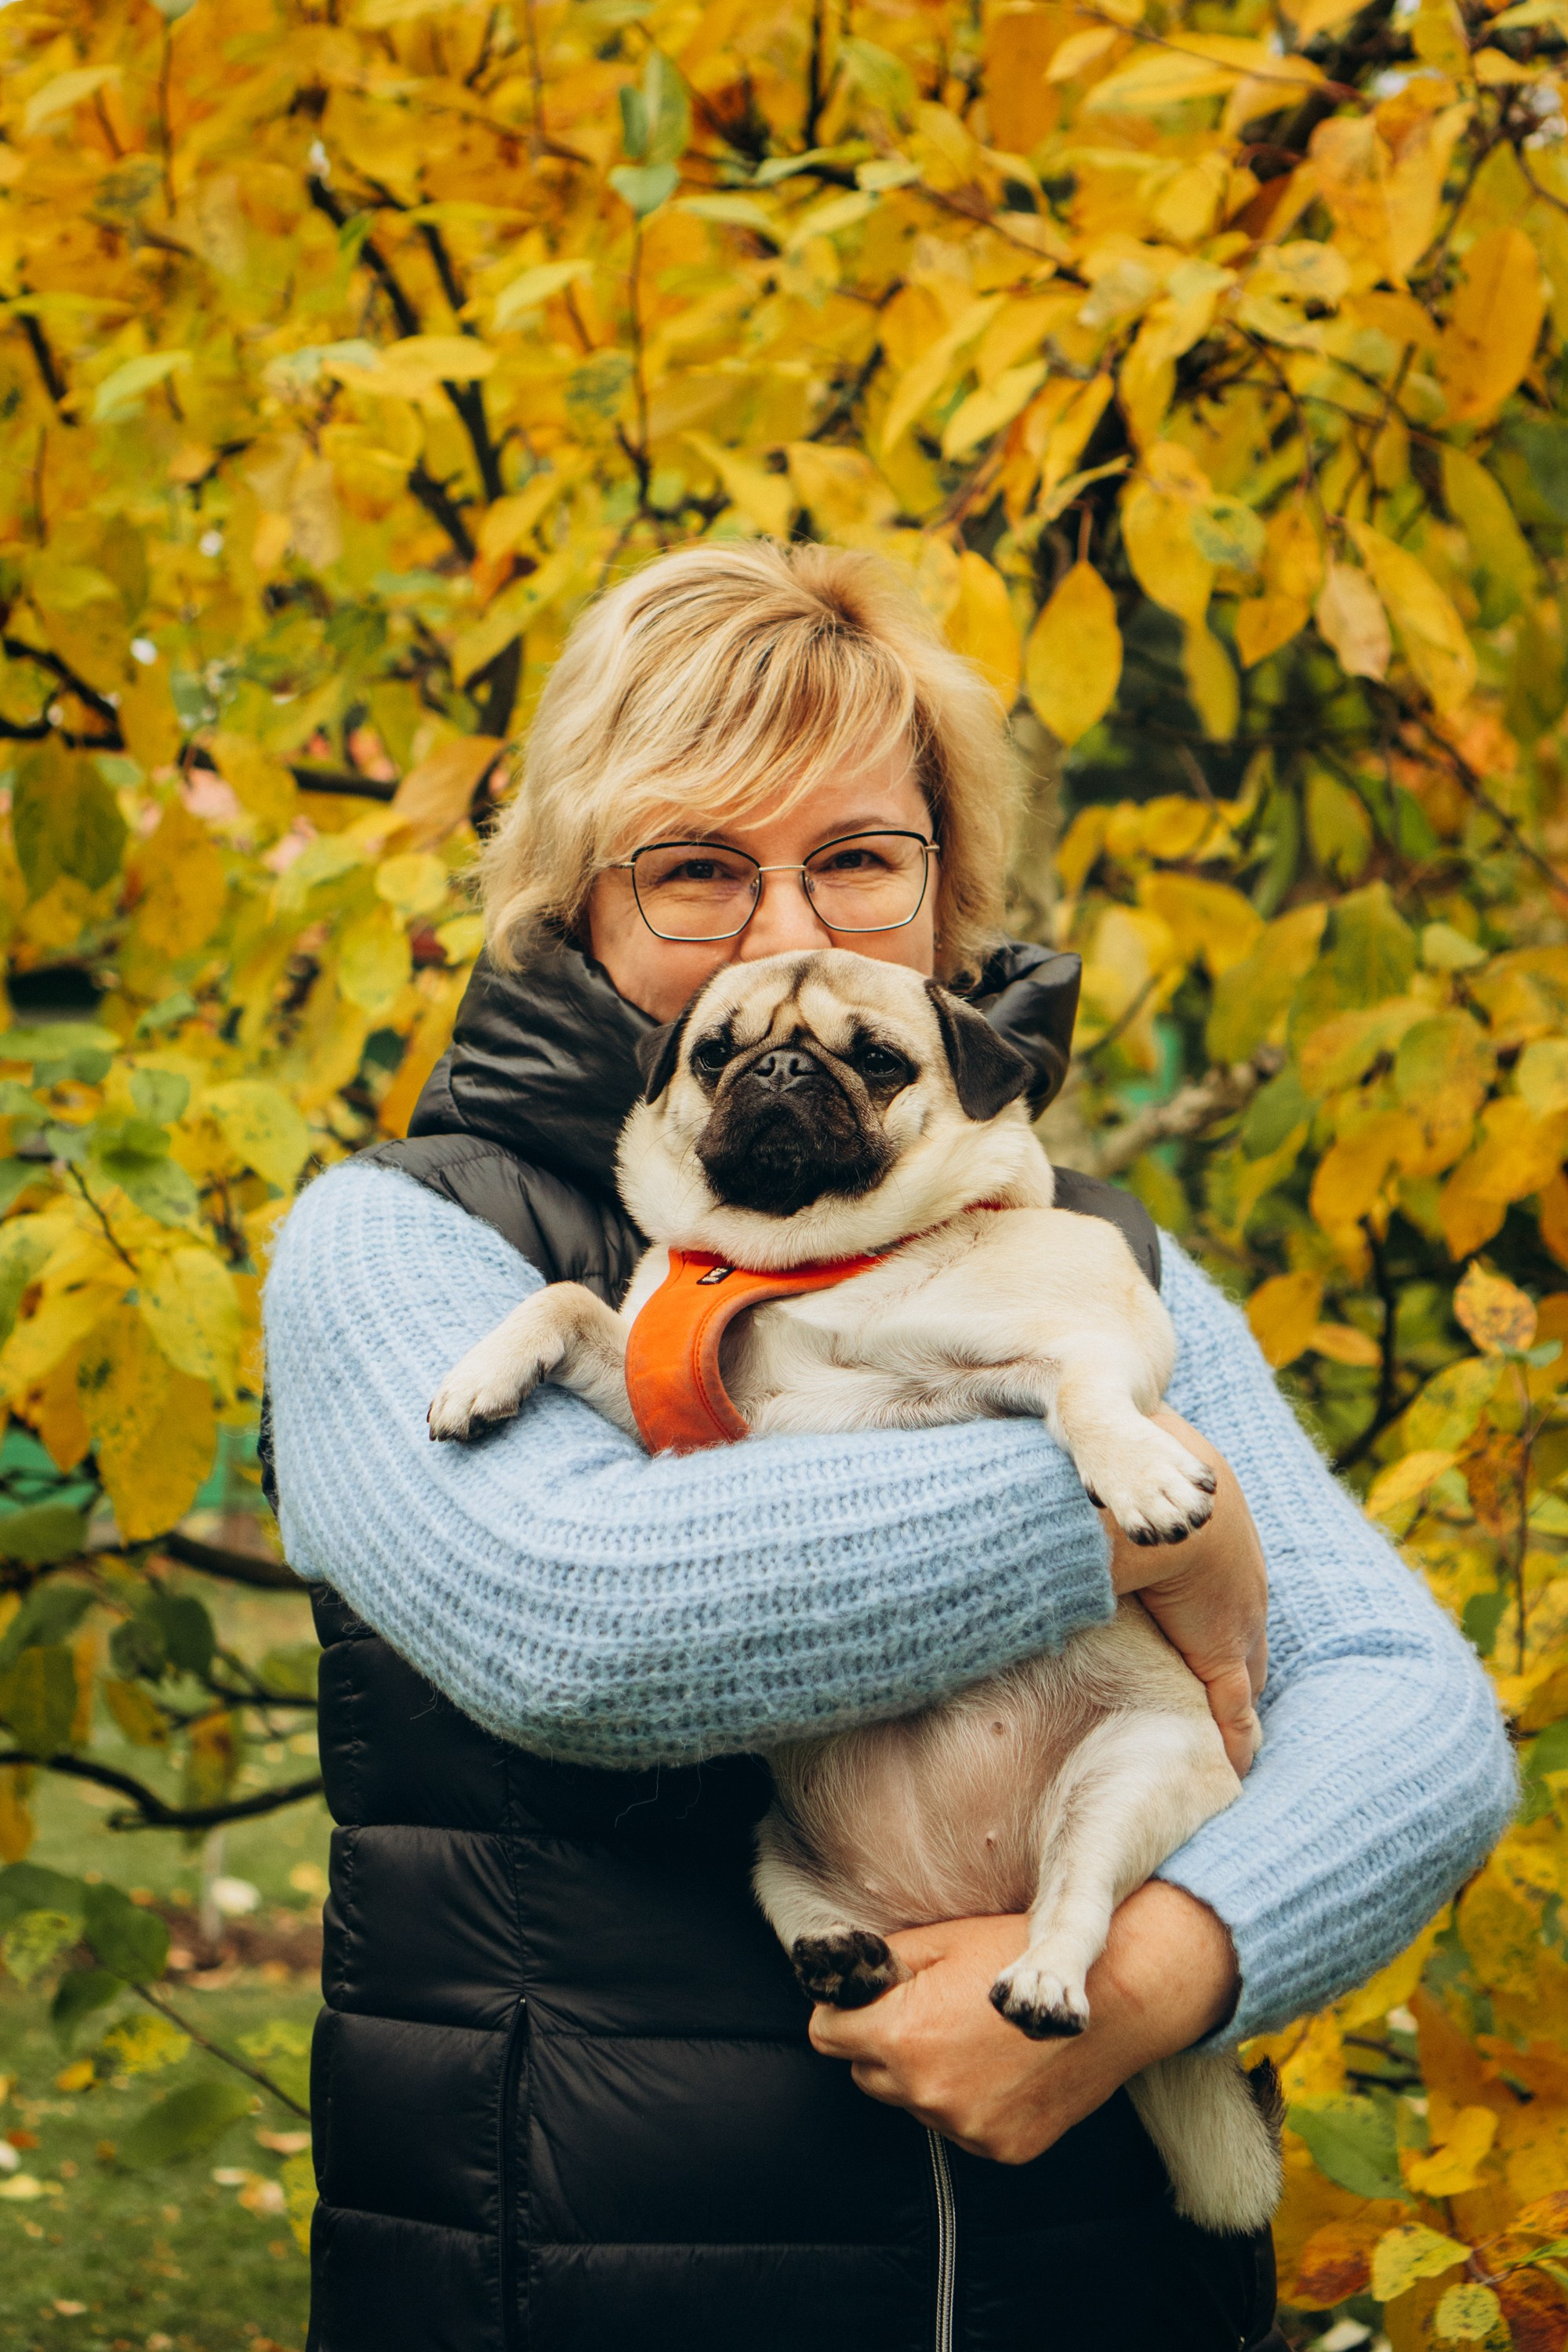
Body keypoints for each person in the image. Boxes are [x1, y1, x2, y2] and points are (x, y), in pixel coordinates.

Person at [263, 541, 1514, 2352]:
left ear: (947, 896)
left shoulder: (1102, 1255)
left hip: (1105, 2283)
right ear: (571, 909)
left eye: (856, 858)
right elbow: (588, 1623)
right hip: (594, 2282)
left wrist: (1144, 1985)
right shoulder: (405, 1246)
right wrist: (1146, 1517)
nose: (790, 931)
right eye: (698, 869)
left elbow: (1410, 1705)